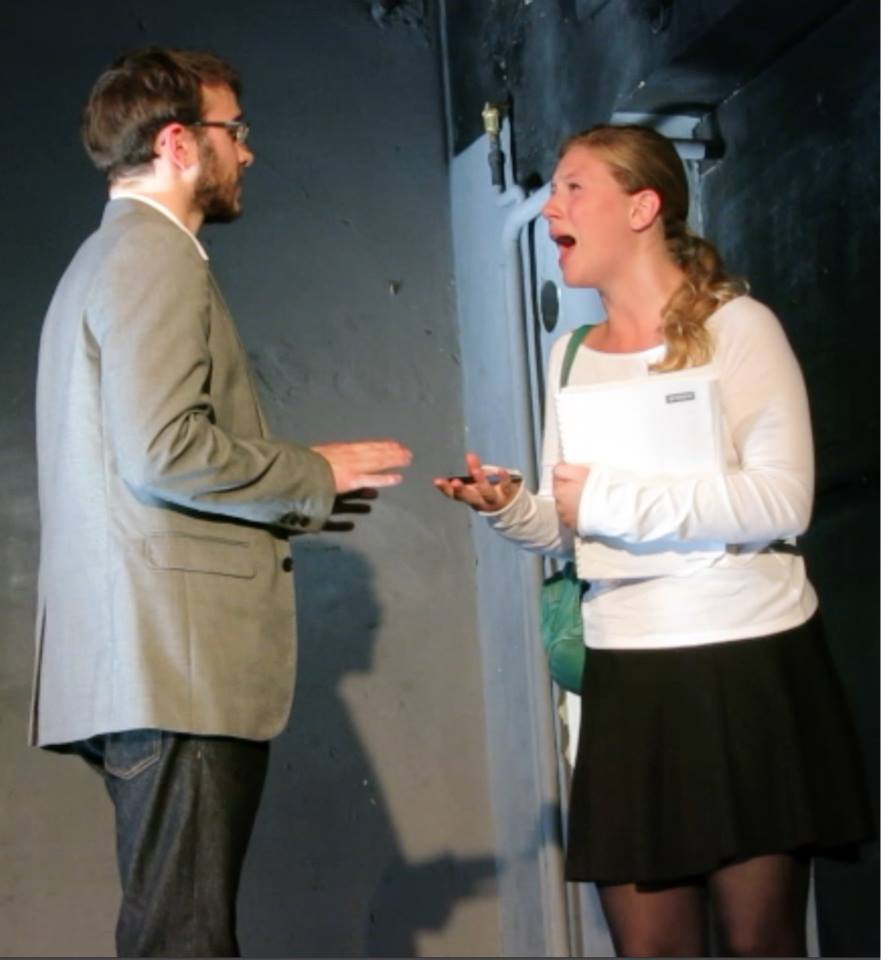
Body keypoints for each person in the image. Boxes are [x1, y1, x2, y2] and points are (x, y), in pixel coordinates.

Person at [434, 124, 872, 957]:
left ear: (642, 208)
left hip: (746, 657)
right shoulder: (569, 355)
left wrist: (607, 497)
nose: (550, 209)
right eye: (551, 191)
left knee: (759, 942)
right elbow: (571, 526)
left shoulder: (738, 328)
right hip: (628, 668)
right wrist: (512, 506)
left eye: (572, 189)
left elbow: (782, 499)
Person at [31, 46, 411, 958]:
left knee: (178, 934)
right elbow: (164, 452)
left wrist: (299, 496)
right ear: (178, 143)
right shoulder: (151, 257)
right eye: (233, 131)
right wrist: (309, 473)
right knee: (183, 942)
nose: (247, 151)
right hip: (175, 664)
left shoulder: (110, 257)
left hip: (148, 659)